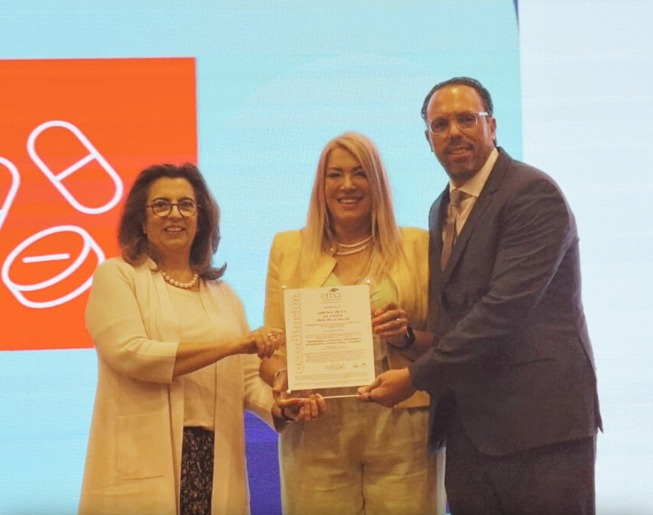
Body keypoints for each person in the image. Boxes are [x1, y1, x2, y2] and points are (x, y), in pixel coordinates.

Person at [359, 77, 602, 514]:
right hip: (469, 433)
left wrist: (414, 377)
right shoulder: (441, 209)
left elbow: (502, 310)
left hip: (540, 429)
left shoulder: (532, 193)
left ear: (492, 126)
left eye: (466, 119)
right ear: (428, 140)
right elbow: (457, 319)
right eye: (440, 124)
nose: (453, 132)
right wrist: (409, 339)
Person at [79, 162, 316, 515]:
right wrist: (235, 345)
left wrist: (281, 407)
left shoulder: (223, 294)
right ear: (141, 220)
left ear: (201, 219)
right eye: (161, 205)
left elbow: (246, 378)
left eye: (186, 205)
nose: (175, 214)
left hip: (213, 457)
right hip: (142, 459)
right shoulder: (118, 276)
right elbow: (133, 355)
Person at [260, 132, 446, 515]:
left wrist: (406, 336)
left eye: (360, 173)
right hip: (316, 428)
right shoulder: (287, 248)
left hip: (402, 428)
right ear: (321, 185)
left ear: (377, 182)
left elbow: (446, 345)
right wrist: (282, 381)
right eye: (335, 175)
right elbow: (271, 352)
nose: (347, 185)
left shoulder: (418, 246)